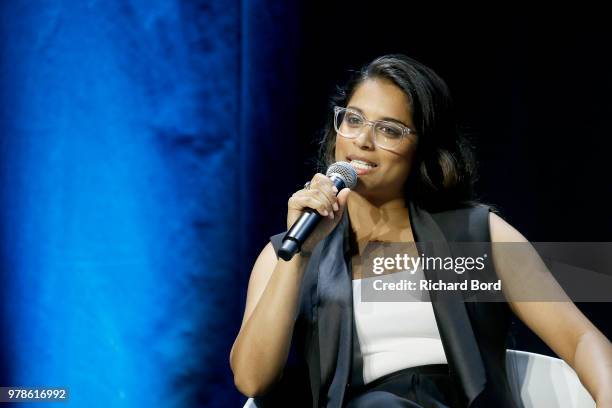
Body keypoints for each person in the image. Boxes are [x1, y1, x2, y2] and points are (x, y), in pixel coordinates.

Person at [229, 54, 612, 407]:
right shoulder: (290, 251)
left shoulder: (473, 236)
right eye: (354, 119)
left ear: (424, 147)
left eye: (389, 130)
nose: (363, 141)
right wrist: (299, 257)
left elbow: (580, 340)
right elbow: (252, 382)